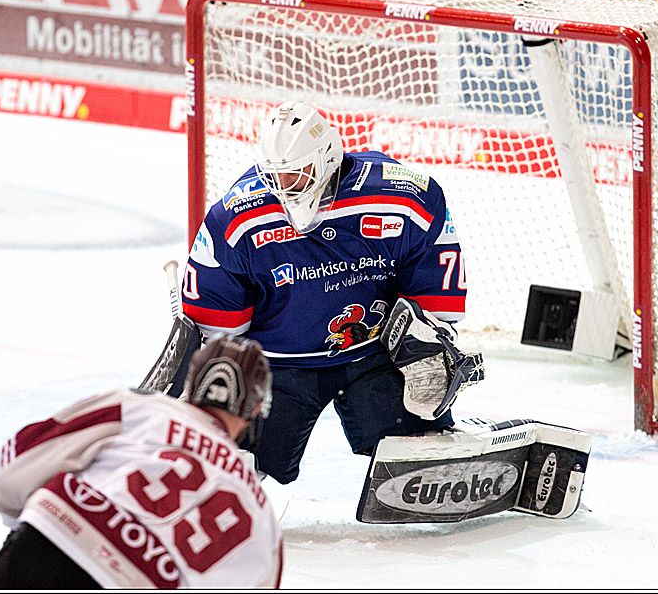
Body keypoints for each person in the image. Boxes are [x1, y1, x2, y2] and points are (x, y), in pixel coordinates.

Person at [180, 101, 475, 486]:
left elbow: (436, 293)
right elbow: (215, 325)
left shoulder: (405, 196)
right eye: (275, 176)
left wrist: (429, 338)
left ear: (327, 159)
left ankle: (431, 438)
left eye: (296, 174)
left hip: (373, 356)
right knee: (239, 468)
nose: (284, 188)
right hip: (277, 367)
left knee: (417, 455)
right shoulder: (235, 218)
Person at [0, 336, 282, 589]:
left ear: (192, 379)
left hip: (53, 538)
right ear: (255, 410)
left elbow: (15, 467)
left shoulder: (140, 407)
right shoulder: (262, 516)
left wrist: (25, 528)